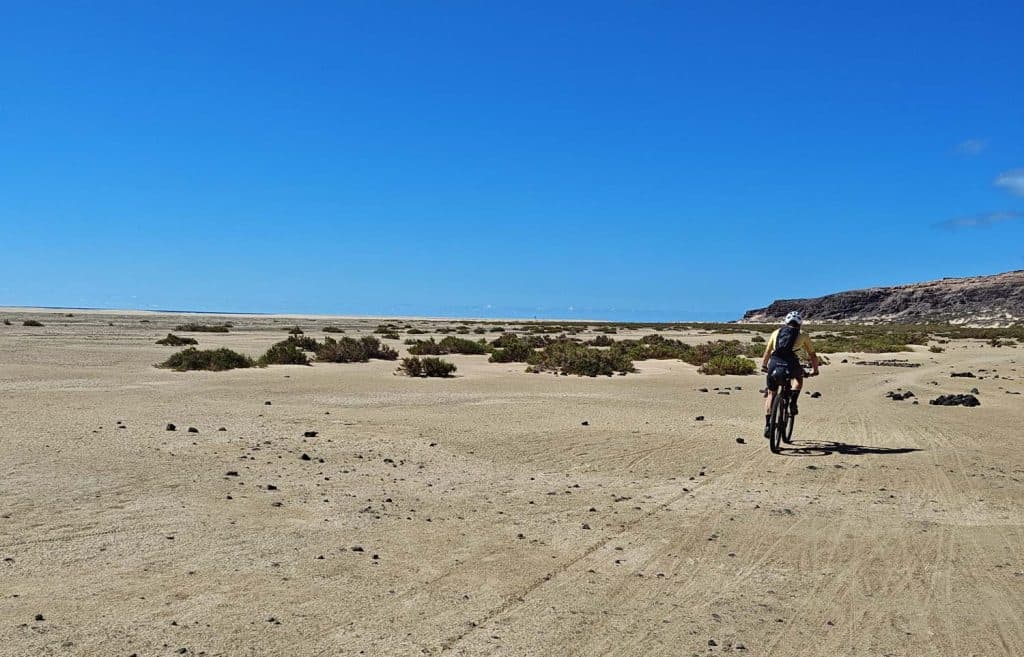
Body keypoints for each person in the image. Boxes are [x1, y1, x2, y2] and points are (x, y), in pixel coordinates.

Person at [761, 311, 819, 438]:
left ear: (786, 322)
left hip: (774, 364)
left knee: (771, 394)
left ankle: (768, 424)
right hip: (791, 365)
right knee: (799, 378)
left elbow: (767, 351)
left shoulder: (776, 332)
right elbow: (812, 355)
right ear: (800, 323)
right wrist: (815, 370)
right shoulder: (803, 334)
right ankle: (793, 402)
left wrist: (764, 366)